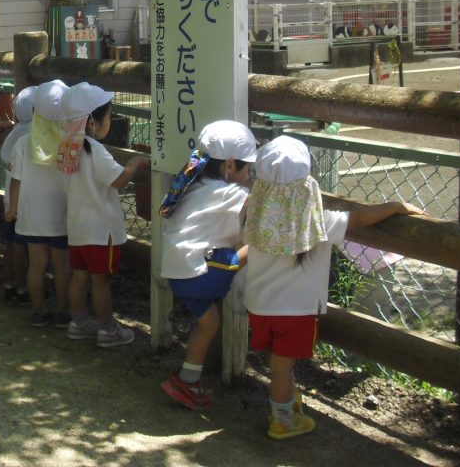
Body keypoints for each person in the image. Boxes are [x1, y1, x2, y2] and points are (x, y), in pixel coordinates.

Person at [243, 135, 424, 441]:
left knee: (277, 360)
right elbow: (361, 217)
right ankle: (282, 419)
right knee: (281, 367)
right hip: (294, 312)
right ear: (306, 185)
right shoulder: (319, 223)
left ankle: (285, 398)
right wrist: (393, 206)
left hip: (259, 305)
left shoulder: (254, 217)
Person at [158, 120, 258, 410]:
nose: (248, 174)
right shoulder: (233, 194)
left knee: (209, 322)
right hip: (198, 276)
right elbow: (259, 207)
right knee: (259, 245)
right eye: (246, 168)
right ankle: (188, 381)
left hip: (178, 272)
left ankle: (188, 380)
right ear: (229, 165)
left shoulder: (191, 182)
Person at [61, 82, 148, 348]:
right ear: (91, 123)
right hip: (101, 231)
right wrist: (134, 163)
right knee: (101, 282)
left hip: (77, 227)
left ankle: (78, 322)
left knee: (79, 276)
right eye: (108, 115)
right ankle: (108, 330)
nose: (110, 120)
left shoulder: (66, 147)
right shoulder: (94, 150)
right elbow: (119, 180)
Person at [10, 79, 72, 328]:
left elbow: (15, 181)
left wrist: (12, 209)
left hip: (31, 216)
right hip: (61, 215)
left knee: (36, 265)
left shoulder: (23, 143)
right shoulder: (70, 144)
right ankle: (64, 311)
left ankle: (38, 310)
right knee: (61, 265)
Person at [0, 85, 35, 305]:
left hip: (10, 200)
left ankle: (9, 282)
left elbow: (4, 156)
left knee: (11, 244)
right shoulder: (32, 133)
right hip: (23, 201)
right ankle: (23, 287)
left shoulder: (17, 130)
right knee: (21, 246)